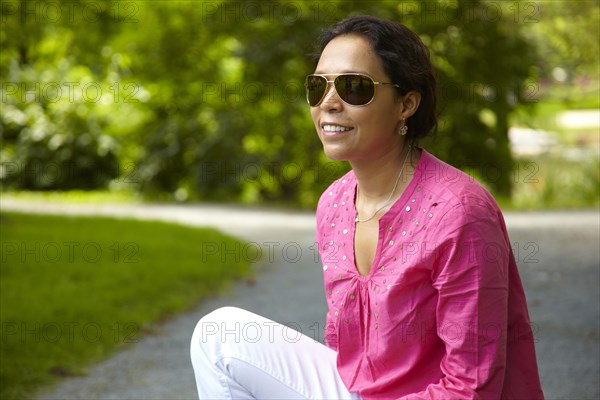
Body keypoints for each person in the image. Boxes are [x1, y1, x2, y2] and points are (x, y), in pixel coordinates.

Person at [190, 15, 544, 399]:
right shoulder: (335, 203)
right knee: (219, 334)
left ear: (405, 104)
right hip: (361, 391)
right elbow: (346, 352)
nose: (328, 102)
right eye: (317, 86)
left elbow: (472, 386)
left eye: (353, 87)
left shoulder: (459, 213)